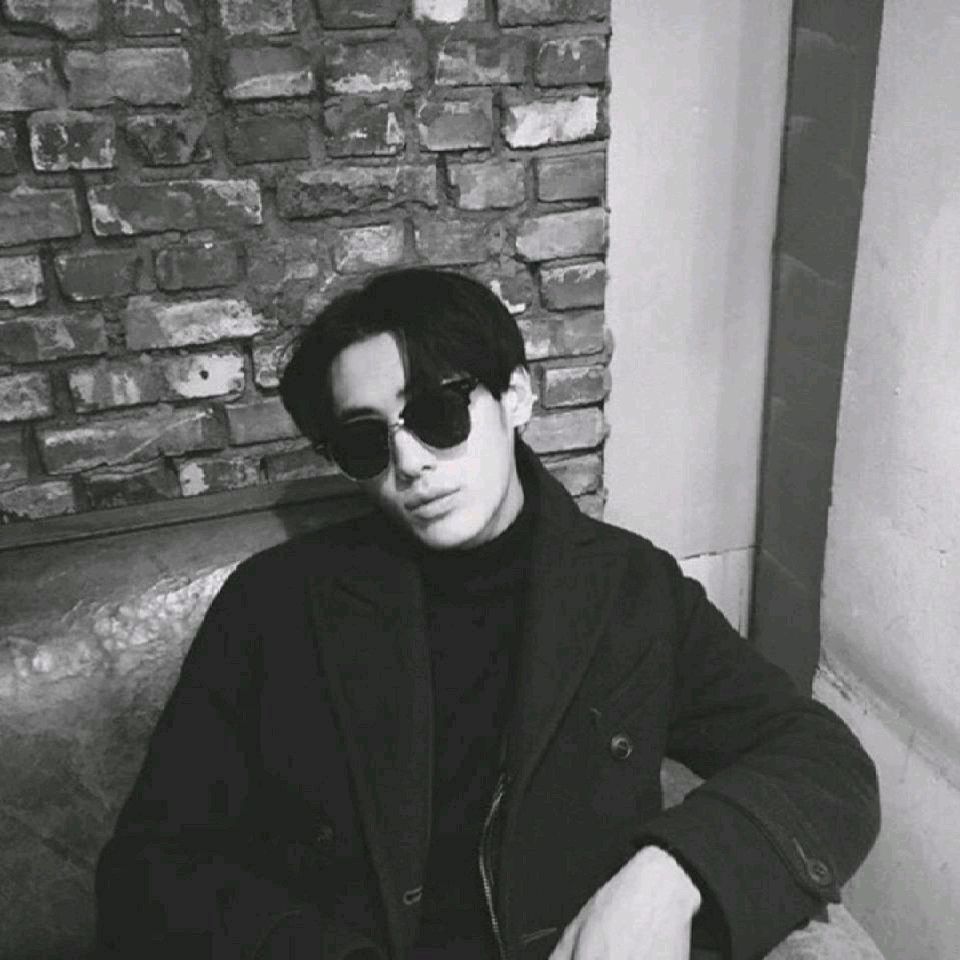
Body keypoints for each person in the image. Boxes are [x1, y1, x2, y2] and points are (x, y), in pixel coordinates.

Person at [95, 268, 880, 960]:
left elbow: (824, 761)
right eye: (367, 442)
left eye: (438, 413)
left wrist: (671, 875)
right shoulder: (275, 605)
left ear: (516, 397)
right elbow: (147, 871)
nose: (409, 462)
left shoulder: (630, 591)